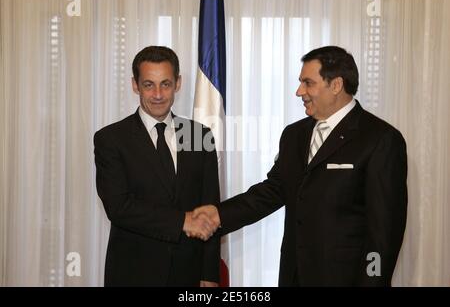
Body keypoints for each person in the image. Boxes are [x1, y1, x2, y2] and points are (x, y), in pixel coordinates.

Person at [193, 46, 408, 286]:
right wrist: (219, 215)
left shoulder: (380, 139)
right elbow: (272, 191)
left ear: (336, 85)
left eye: (308, 83)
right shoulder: (294, 134)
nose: (299, 92)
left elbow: (384, 235)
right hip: (293, 277)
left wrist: (372, 283)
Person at [94, 46, 220, 286]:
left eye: (166, 84)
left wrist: (209, 274)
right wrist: (182, 221)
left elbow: (210, 205)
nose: (158, 94)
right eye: (148, 85)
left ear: (178, 83)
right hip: (132, 273)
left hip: (189, 273)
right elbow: (119, 207)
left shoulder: (199, 135)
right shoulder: (111, 139)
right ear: (135, 85)